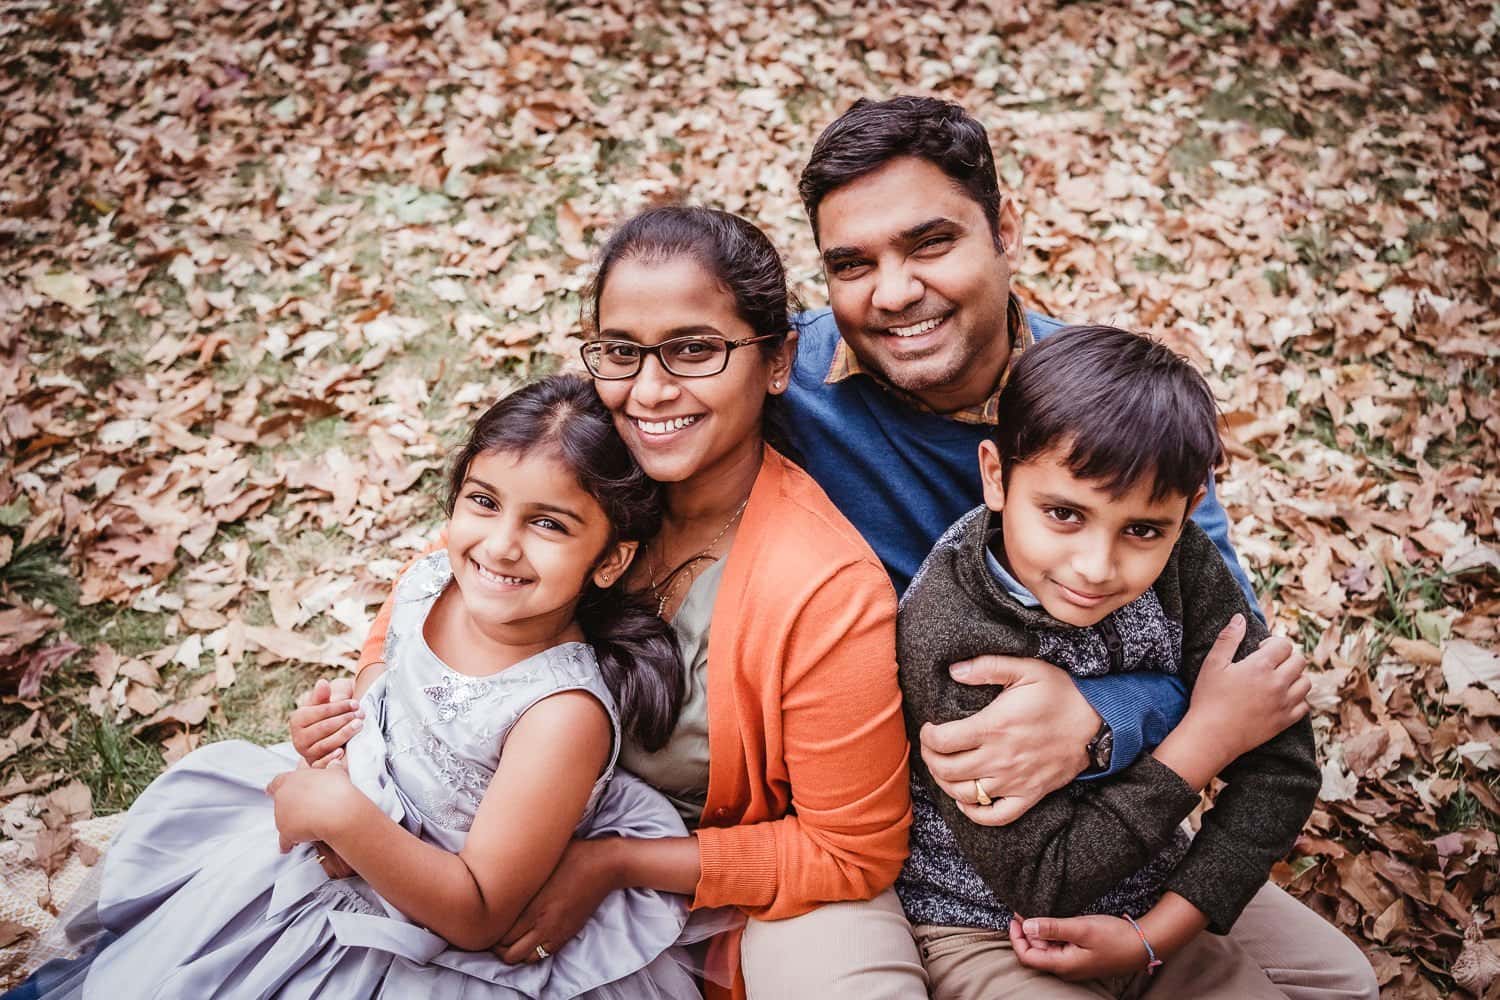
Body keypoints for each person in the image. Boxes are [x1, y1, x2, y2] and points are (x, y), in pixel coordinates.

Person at [777, 94, 1376, 999]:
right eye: (852, 263)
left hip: (1111, 820)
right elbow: (628, 419)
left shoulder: (1108, 423)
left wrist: (1100, 722)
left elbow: (1233, 671)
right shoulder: (782, 398)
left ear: (1005, 229)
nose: (893, 292)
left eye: (930, 243)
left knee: (1341, 985)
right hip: (922, 838)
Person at [295, 206, 917, 999]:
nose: (651, 391)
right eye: (623, 352)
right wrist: (365, 737)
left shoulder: (825, 592)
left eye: (694, 350)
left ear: (776, 360)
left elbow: (849, 852)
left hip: (694, 870)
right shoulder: (577, 465)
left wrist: (610, 862)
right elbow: (431, 587)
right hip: (469, 840)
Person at [31, 375, 712, 1000]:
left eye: (548, 523)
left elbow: (478, 913)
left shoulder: (560, 714)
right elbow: (385, 694)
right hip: (333, 850)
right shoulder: (428, 583)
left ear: (609, 559)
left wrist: (345, 820)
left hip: (411, 936)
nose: (500, 545)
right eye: (483, 501)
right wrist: (334, 739)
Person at [897, 324, 1320, 997]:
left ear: (1188, 513)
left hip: (1155, 893)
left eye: (1143, 530)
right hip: (985, 924)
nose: (1096, 567)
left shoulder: (1186, 564)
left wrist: (1159, 932)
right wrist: (1207, 736)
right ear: (996, 477)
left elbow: (1285, 767)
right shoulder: (950, 628)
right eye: (1064, 514)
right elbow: (1046, 880)